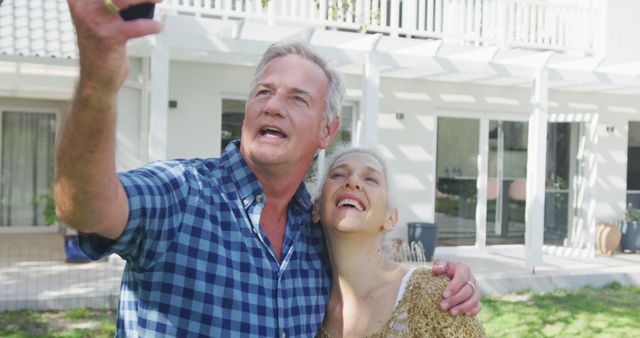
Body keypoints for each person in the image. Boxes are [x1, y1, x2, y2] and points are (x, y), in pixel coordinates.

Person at [55, 0, 481, 336]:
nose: (273, 105)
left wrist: (444, 281)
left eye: (297, 98)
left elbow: (372, 269)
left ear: (326, 130)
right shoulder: (183, 192)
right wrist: (97, 82)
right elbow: (86, 208)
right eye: (264, 92)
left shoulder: (316, 229)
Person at [312, 147, 486, 337]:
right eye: (338, 174)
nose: (352, 181)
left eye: (370, 179)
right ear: (316, 208)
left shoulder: (430, 295)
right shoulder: (309, 305)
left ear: (390, 218)